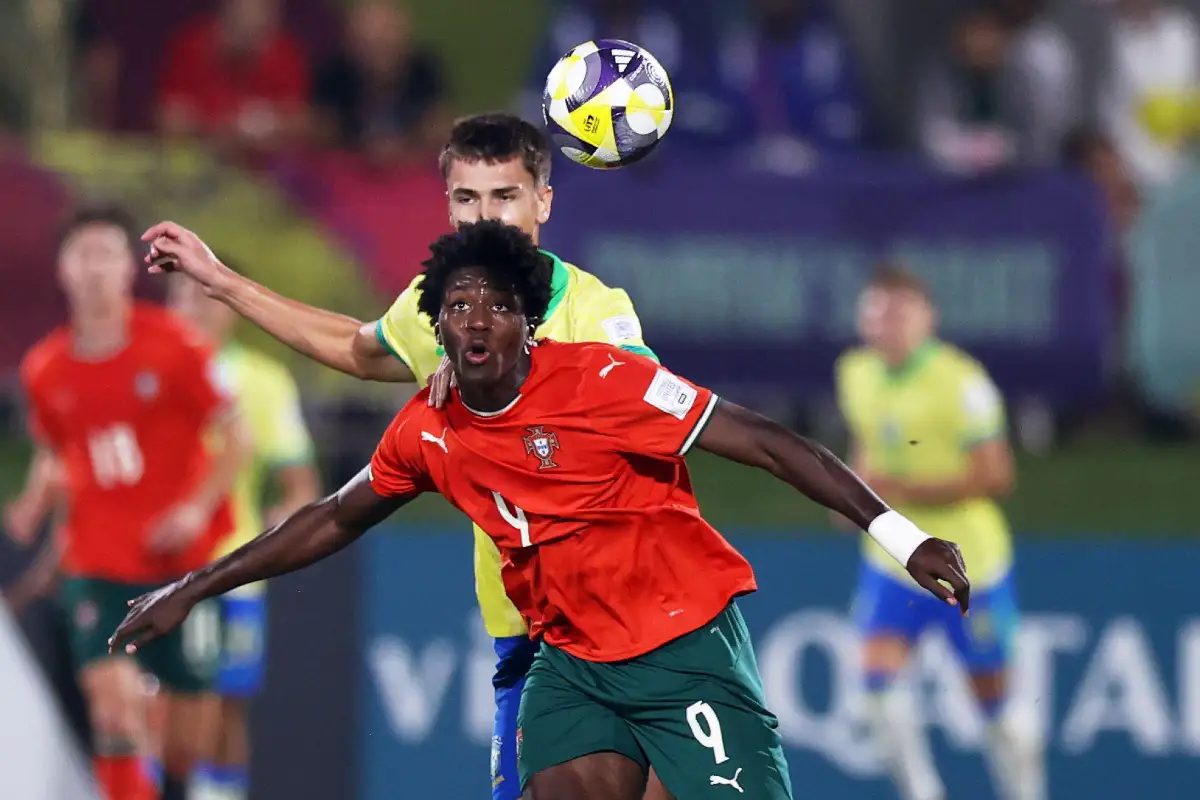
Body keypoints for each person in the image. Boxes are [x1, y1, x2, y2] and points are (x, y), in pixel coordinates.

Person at [113, 219, 971, 800]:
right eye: (457, 307)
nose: (476, 318)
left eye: (497, 304)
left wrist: (904, 537)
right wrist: (195, 585)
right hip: (572, 662)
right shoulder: (431, 427)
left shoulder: (604, 381)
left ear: (530, 322)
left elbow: (777, 446)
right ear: (437, 332)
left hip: (685, 647)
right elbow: (332, 517)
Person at [148, 112, 661, 800]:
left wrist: (502, 385)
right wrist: (223, 282)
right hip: (523, 634)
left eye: (504, 197)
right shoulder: (438, 316)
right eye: (466, 199)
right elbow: (357, 349)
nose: (485, 219)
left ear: (543, 201)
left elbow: (645, 429)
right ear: (446, 205)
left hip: (625, 629)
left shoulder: (598, 313)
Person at [15, 204, 250, 800]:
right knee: (115, 707)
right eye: (82, 255)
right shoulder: (44, 369)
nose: (94, 269)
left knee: (186, 729)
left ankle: (173, 786)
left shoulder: (175, 345)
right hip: (95, 563)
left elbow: (237, 435)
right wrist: (34, 507)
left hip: (184, 565)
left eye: (107, 254)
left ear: (128, 268)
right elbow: (59, 451)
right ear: (63, 269)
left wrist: (196, 507)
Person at [835, 265, 1043, 800]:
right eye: (876, 313)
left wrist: (900, 489)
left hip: (967, 566)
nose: (887, 325)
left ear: (929, 318)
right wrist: (852, 500)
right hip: (894, 563)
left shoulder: (962, 382)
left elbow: (997, 475)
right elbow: (867, 455)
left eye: (900, 313)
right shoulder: (854, 372)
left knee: (995, 707)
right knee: (877, 692)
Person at [168, 273, 321, 800]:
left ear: (230, 307)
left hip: (229, 571)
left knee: (225, 703)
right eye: (182, 295)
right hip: (149, 566)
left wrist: (283, 524)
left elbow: (298, 481)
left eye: (206, 296)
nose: (195, 308)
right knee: (155, 704)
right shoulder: (147, 370)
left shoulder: (262, 380)